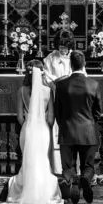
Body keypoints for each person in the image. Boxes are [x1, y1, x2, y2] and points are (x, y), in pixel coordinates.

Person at [0, 60, 64, 204]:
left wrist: (29, 124)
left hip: (28, 130)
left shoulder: (21, 90)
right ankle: (43, 192)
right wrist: (43, 123)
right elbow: (51, 119)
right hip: (43, 130)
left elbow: (19, 117)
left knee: (28, 160)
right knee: (42, 160)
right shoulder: (48, 91)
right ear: (41, 72)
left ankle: (23, 190)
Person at [54, 50, 102, 204]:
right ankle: (85, 179)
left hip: (67, 131)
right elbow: (98, 112)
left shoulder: (61, 85)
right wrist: (89, 122)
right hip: (88, 132)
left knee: (68, 166)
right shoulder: (93, 84)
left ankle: (72, 182)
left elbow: (57, 112)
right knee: (88, 165)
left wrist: (64, 124)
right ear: (84, 64)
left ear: (70, 64)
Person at [43, 30, 75, 173]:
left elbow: (81, 73)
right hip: (55, 92)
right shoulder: (51, 57)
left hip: (71, 94)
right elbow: (46, 75)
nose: (62, 49)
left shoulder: (75, 56)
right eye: (61, 46)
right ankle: (55, 159)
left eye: (65, 46)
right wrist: (55, 82)